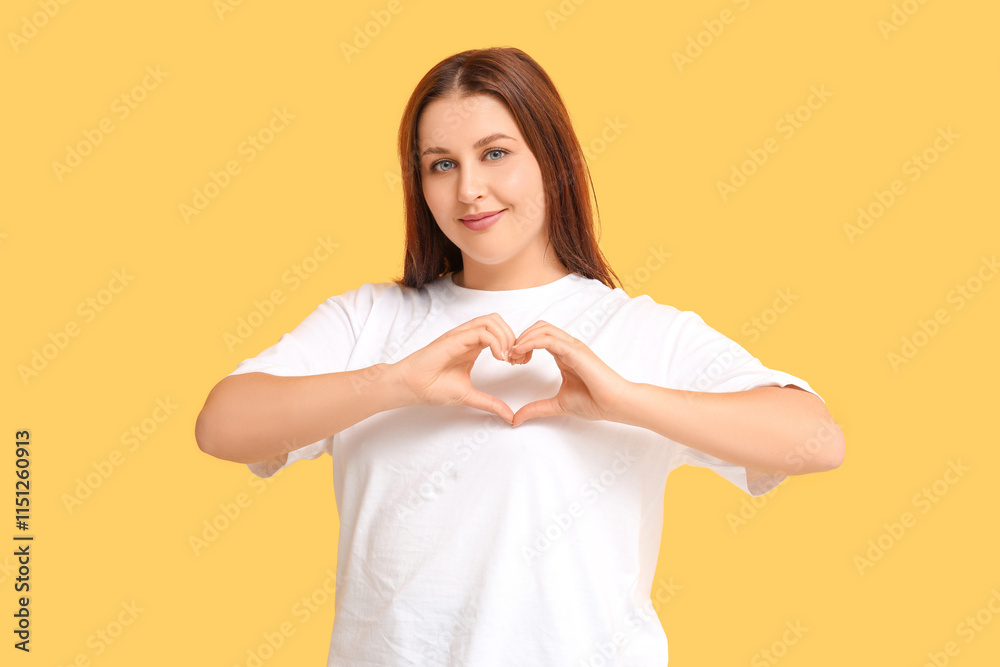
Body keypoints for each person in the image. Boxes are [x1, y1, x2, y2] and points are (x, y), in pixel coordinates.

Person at [195, 46, 845, 666]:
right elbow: (222, 424)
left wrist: (625, 399)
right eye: (440, 164)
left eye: (495, 153)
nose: (469, 189)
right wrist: (398, 382)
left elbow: (816, 439)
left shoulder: (638, 331)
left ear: (553, 161)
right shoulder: (371, 319)